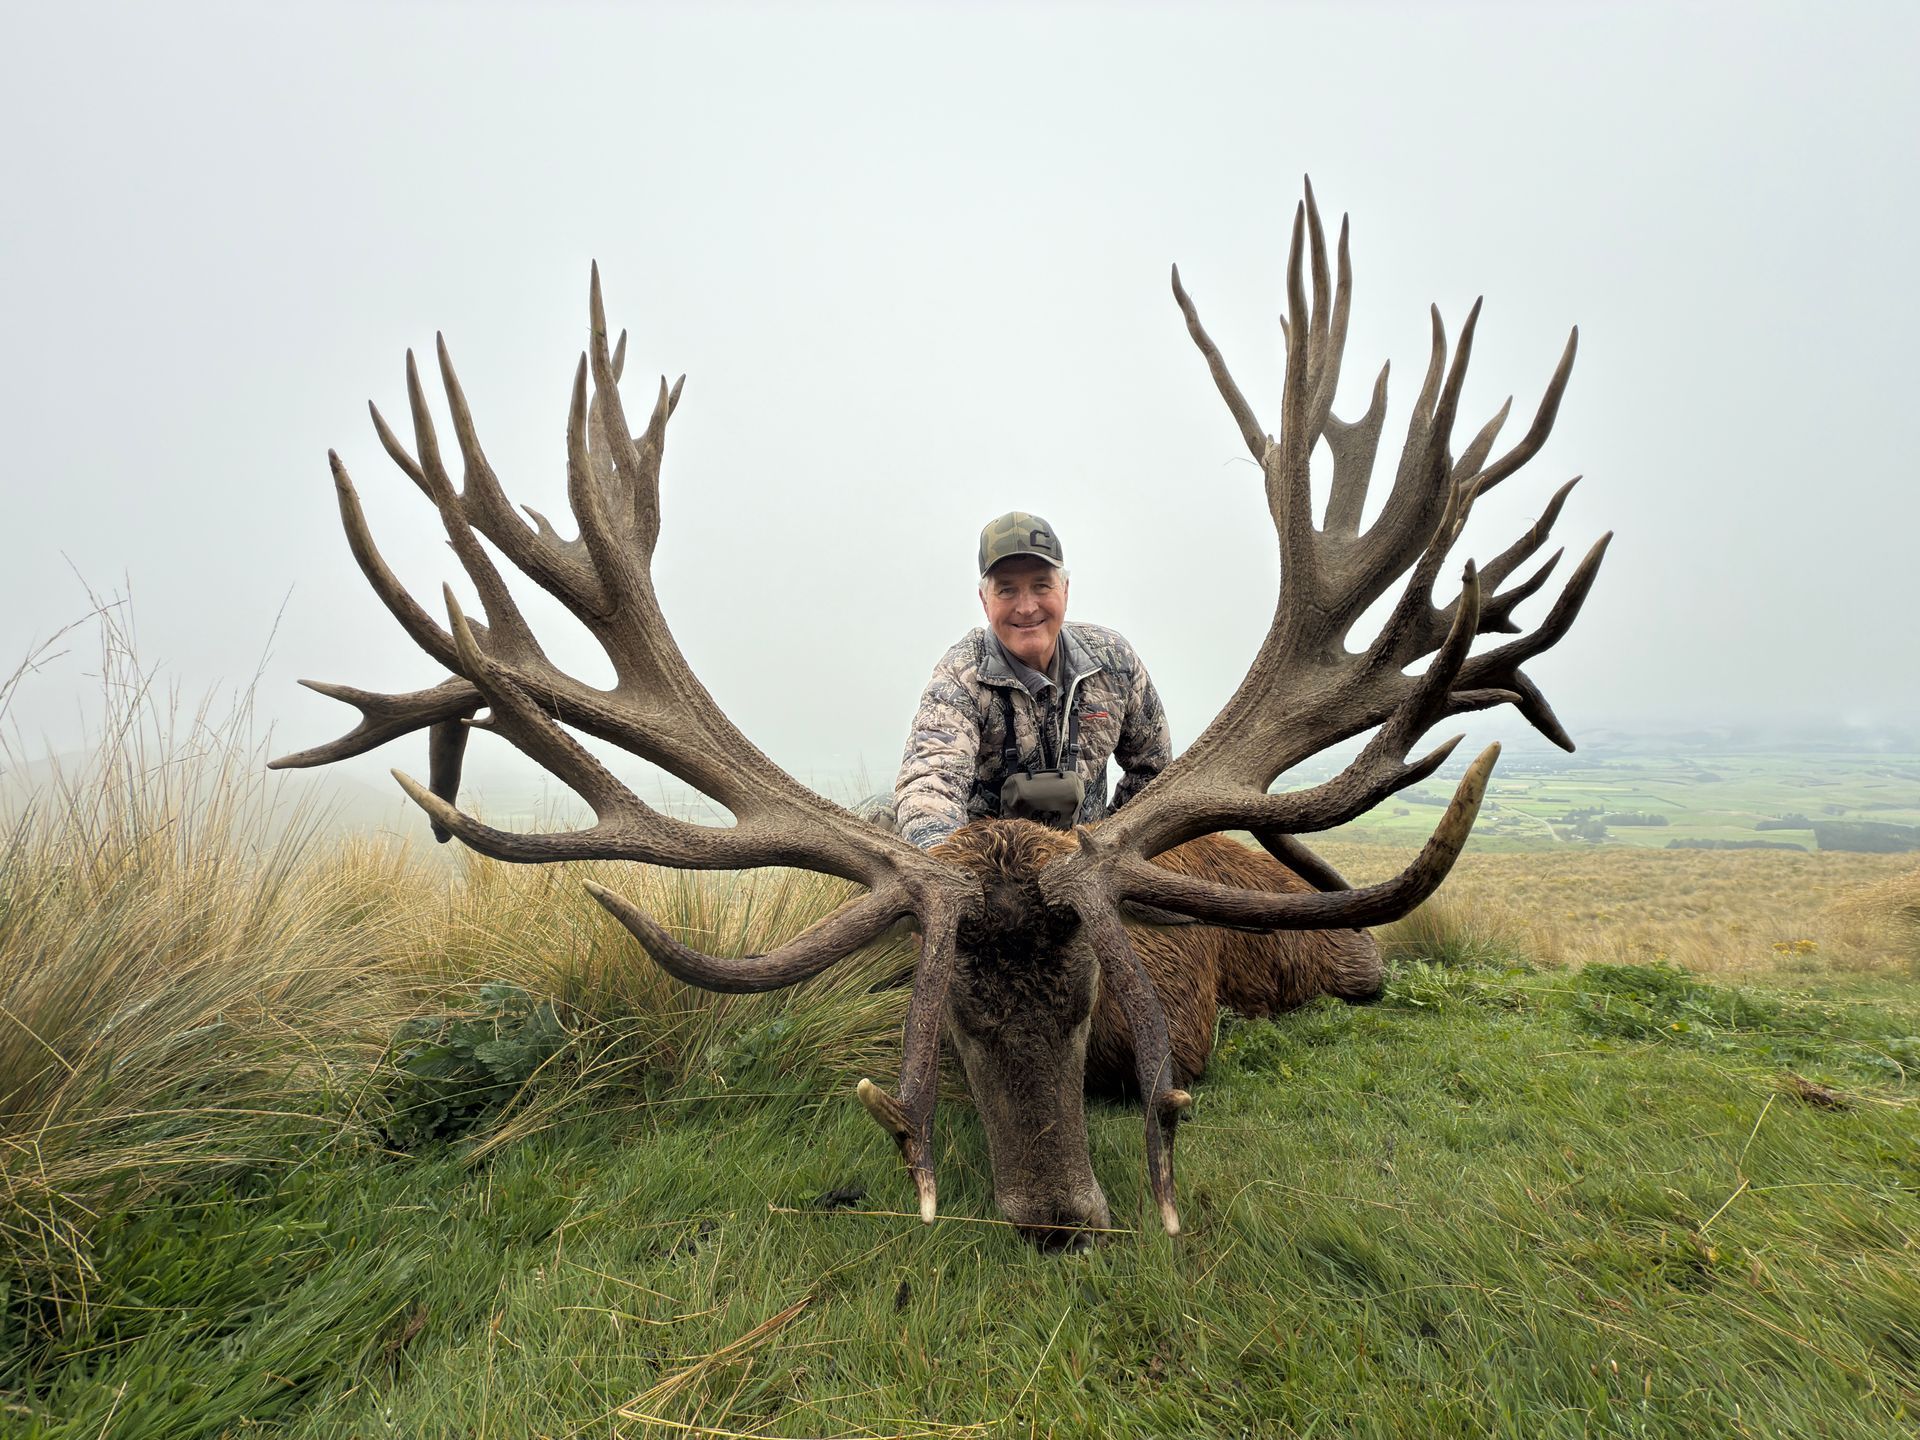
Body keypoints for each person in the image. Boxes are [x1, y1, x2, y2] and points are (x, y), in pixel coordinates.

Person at [892, 510, 1172, 850]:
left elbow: (1155, 773)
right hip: (988, 876)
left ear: (1065, 590)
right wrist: (949, 871)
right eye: (1007, 590)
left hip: (1087, 869)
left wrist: (1111, 846)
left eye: (1041, 585)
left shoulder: (1114, 662)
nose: (1026, 607)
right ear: (985, 601)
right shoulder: (960, 677)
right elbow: (930, 785)